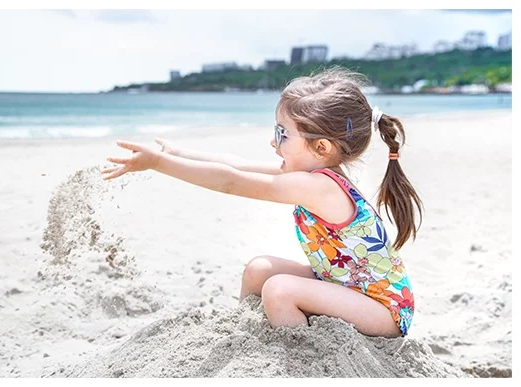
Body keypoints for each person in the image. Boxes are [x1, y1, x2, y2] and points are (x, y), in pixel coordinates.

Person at [101, 67, 423, 338]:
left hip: (384, 310)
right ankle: (252, 337)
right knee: (258, 271)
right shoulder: (310, 175)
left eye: (283, 134)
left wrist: (158, 164)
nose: (273, 141)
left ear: (321, 147)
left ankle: (301, 360)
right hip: (343, 285)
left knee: (279, 290)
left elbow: (231, 183)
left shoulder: (319, 187)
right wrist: (179, 154)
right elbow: (236, 165)